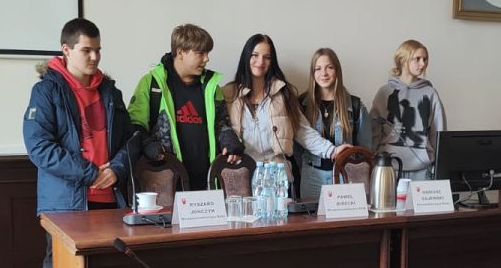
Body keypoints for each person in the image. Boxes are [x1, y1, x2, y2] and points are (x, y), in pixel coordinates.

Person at [23, 17, 135, 268]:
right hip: (67, 200)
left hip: (109, 197)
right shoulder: (46, 91)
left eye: (98, 50)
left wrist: (116, 169)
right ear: (66, 50)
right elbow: (39, 148)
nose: (95, 57)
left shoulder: (110, 92)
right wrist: (90, 173)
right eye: (87, 50)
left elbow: (130, 139)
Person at [127, 23, 242, 192]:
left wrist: (230, 140)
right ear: (181, 52)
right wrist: (148, 144)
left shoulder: (211, 86)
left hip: (207, 184)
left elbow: (221, 124)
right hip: (165, 183)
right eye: (200, 53)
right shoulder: (152, 84)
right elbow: (134, 125)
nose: (207, 59)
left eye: (207, 53)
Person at [225, 34, 351, 183]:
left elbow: (303, 131)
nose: (260, 62)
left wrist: (332, 151)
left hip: (277, 177)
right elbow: (220, 131)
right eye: (255, 55)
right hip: (242, 176)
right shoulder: (228, 94)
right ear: (246, 56)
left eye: (267, 57)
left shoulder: (283, 93)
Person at [296, 47, 372, 202]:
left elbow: (365, 150)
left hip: (345, 176)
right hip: (311, 177)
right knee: (312, 217)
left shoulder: (355, 105)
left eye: (329, 67)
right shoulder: (301, 104)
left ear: (337, 70)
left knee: (344, 217)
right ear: (312, 73)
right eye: (318, 68)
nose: (323, 73)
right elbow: (297, 147)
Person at [370, 39, 445, 178]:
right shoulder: (385, 92)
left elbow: (438, 132)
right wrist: (372, 161)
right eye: (417, 59)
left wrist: (437, 166)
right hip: (389, 167)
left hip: (422, 169)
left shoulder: (430, 93)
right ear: (403, 59)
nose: (423, 64)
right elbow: (374, 130)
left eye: (425, 59)